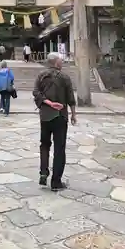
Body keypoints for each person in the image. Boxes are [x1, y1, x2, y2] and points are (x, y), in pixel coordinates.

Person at [33, 52, 76, 191]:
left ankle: (44, 172)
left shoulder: (41, 76)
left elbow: (35, 92)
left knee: (44, 145)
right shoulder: (64, 77)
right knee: (59, 149)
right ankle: (56, 181)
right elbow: (70, 98)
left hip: (45, 117)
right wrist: (73, 114)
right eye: (61, 61)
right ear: (56, 63)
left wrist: (48, 103)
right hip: (60, 116)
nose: (62, 63)